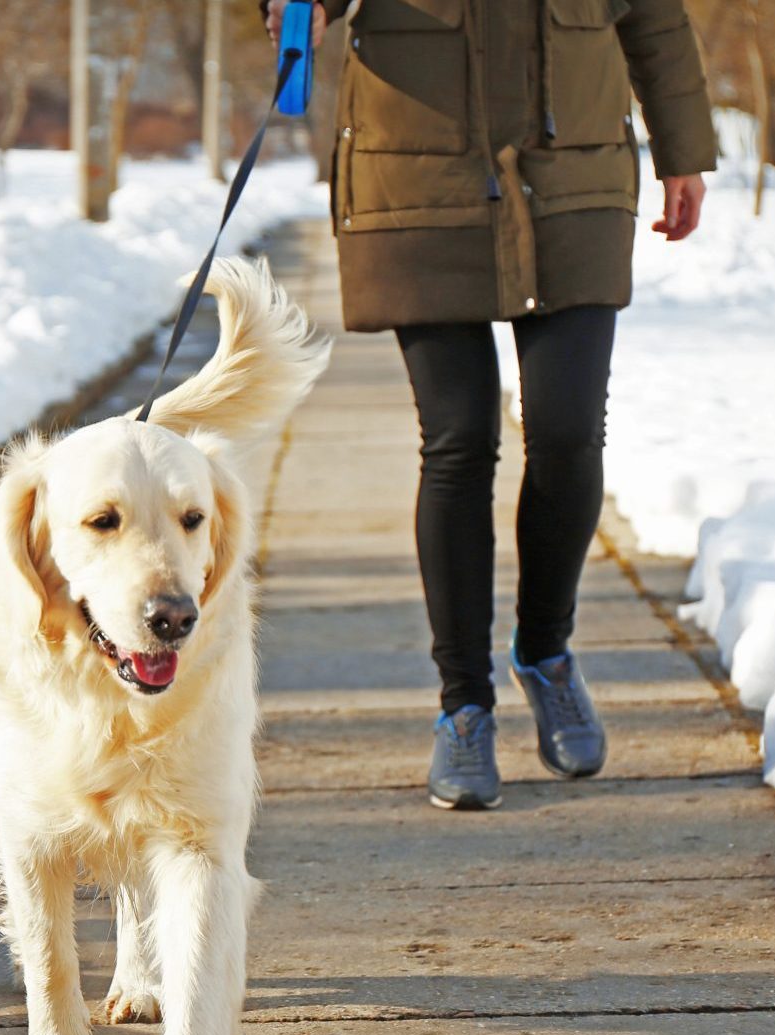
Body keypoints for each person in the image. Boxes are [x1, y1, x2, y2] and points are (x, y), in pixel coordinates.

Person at [262, 0, 715, 810]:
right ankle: (463, 705)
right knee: (459, 439)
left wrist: (684, 150)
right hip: (419, 177)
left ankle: (545, 651)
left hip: (574, 171)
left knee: (569, 433)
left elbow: (653, 16)